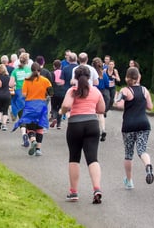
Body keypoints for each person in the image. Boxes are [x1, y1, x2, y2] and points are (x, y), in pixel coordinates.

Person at [60, 65, 105, 204]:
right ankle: (97, 188)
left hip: (75, 125)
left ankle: (73, 192)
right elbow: (101, 109)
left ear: (75, 78)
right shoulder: (95, 91)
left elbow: (66, 106)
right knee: (93, 159)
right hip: (92, 124)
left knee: (74, 158)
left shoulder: (73, 90)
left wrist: (62, 111)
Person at [115, 66, 154, 189]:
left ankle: (129, 181)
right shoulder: (144, 90)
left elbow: (119, 105)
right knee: (142, 150)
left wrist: (117, 97)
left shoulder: (125, 91)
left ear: (127, 77)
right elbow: (150, 107)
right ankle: (148, 165)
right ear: (138, 77)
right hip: (144, 124)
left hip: (129, 125)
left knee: (128, 154)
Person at [13, 62, 53, 156]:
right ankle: (38, 149)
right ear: (40, 70)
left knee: (30, 128)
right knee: (39, 128)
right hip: (41, 106)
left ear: (31, 70)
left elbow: (24, 94)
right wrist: (44, 94)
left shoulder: (27, 81)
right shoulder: (45, 80)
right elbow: (51, 93)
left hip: (30, 106)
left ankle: (33, 140)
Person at [9, 53, 32, 146]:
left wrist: (16, 84)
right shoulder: (30, 70)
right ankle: (31, 135)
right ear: (27, 60)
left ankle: (24, 135)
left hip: (19, 94)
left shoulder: (15, 71)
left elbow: (10, 84)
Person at [92, 57, 110, 141]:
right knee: (101, 113)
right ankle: (103, 129)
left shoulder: (92, 73)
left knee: (93, 112)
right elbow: (107, 85)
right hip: (102, 93)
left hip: (93, 92)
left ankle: (94, 130)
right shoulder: (104, 74)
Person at [49, 59, 66, 129]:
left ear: (54, 66)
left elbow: (50, 83)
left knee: (54, 107)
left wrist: (50, 93)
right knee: (60, 108)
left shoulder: (52, 73)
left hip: (54, 92)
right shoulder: (63, 73)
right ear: (61, 66)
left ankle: (54, 118)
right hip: (62, 92)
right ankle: (58, 124)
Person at [0, 63, 12, 131]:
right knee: (5, 111)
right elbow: (11, 85)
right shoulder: (8, 77)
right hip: (7, 95)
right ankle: (4, 125)